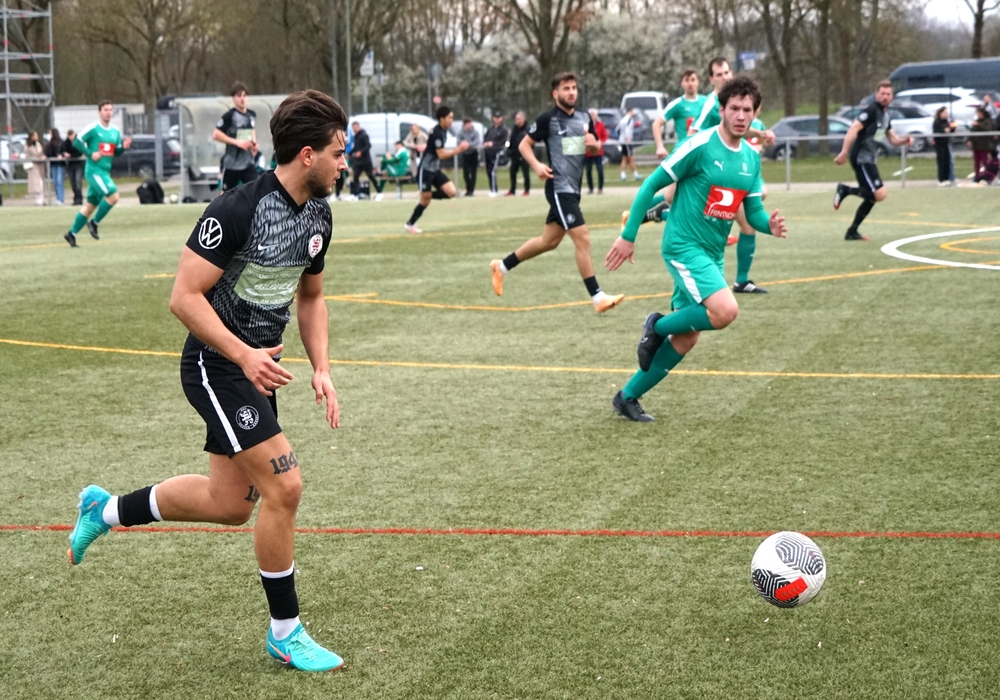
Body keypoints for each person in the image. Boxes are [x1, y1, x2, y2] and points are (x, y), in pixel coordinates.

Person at [67, 89, 349, 673]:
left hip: (256, 371)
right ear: (307, 155)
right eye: (338, 153)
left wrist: (321, 367)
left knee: (230, 504)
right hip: (216, 365)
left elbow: (312, 297)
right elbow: (183, 297)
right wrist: (244, 355)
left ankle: (105, 510)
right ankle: (285, 633)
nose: (344, 163)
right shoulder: (236, 209)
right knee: (285, 487)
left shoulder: (319, 216)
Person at [604, 76, 788, 422]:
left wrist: (769, 226)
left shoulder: (751, 158)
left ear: (755, 113)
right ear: (722, 109)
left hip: (712, 254)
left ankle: (627, 397)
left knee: (687, 338)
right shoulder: (700, 145)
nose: (741, 115)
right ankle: (657, 325)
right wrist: (628, 235)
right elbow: (651, 185)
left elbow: (753, 212)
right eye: (734, 108)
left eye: (747, 110)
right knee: (725, 311)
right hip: (683, 246)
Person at [490, 72, 625, 314]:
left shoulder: (584, 117)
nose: (571, 92)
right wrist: (537, 166)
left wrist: (594, 145)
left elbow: (595, 146)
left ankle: (501, 267)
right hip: (559, 188)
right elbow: (523, 145)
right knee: (582, 237)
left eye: (574, 88)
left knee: (548, 242)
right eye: (566, 88)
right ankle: (598, 297)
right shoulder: (547, 119)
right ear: (555, 93)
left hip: (574, 189)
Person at [690, 57, 775, 290]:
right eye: (719, 74)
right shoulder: (711, 104)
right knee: (680, 207)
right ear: (711, 79)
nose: (724, 77)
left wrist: (760, 135)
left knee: (748, 223)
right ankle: (656, 212)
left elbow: (736, 130)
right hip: (708, 176)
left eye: (727, 72)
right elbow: (693, 133)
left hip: (727, 175)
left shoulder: (736, 103)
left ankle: (741, 280)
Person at [833, 80, 914, 240]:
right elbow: (854, 128)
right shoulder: (871, 111)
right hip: (861, 157)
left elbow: (892, 139)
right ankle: (844, 190)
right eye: (882, 93)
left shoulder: (886, 115)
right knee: (880, 194)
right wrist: (844, 152)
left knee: (872, 197)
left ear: (892, 96)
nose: (885, 97)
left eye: (888, 94)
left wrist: (904, 141)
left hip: (870, 158)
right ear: (876, 95)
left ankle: (852, 231)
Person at [63, 101, 132, 246]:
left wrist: (124, 147)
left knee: (90, 206)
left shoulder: (115, 131)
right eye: (105, 109)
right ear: (99, 112)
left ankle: (71, 233)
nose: (108, 112)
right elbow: (77, 141)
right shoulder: (93, 128)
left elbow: (116, 152)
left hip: (105, 171)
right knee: (113, 196)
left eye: (110, 110)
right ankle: (94, 223)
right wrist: (90, 153)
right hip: (94, 171)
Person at [405, 105, 468, 233]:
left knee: (451, 192)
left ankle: (426, 194)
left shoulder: (442, 131)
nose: (451, 120)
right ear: (442, 119)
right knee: (425, 202)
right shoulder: (438, 133)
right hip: (426, 170)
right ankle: (410, 224)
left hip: (434, 169)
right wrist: (458, 150)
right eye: (449, 118)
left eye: (452, 118)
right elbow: (441, 155)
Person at [213, 82, 259, 191]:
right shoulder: (229, 116)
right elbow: (216, 134)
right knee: (226, 195)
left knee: (255, 191)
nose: (242, 99)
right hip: (232, 164)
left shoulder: (251, 115)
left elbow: (252, 129)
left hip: (248, 163)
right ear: (233, 98)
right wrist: (238, 142)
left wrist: (254, 143)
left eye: (244, 95)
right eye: (239, 96)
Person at [653, 69, 706, 159]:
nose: (690, 83)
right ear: (682, 83)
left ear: (698, 82)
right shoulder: (677, 104)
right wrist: (660, 146)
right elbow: (656, 124)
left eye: (693, 80)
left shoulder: (707, 102)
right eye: (687, 80)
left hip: (703, 152)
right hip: (684, 153)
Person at [483, 113, 509, 197]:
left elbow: (503, 141)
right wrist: (486, 143)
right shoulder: (490, 128)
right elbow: (485, 137)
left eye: (499, 117)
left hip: (497, 152)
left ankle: (494, 190)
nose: (497, 119)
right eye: (495, 117)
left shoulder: (503, 130)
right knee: (488, 171)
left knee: (493, 171)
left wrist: (493, 143)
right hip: (488, 152)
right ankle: (492, 188)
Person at [349, 121, 378, 197]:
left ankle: (379, 192)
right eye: (353, 128)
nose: (355, 129)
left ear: (359, 127)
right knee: (356, 176)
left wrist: (361, 152)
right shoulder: (356, 136)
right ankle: (355, 194)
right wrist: (349, 154)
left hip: (365, 160)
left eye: (356, 127)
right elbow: (356, 148)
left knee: (370, 175)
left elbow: (368, 145)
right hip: (358, 161)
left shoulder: (364, 135)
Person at [506, 111, 531, 196]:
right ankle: (512, 190)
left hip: (524, 155)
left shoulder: (527, 129)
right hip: (514, 154)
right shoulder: (514, 129)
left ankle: (526, 190)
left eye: (518, 119)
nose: (516, 120)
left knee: (525, 173)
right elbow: (510, 140)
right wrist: (509, 149)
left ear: (523, 119)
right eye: (516, 119)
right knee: (512, 172)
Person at [931, 107, 957, 186]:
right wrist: (944, 131)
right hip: (940, 144)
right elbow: (937, 132)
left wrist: (953, 128)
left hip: (946, 143)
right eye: (945, 113)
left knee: (947, 161)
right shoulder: (936, 122)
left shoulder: (946, 121)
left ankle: (947, 178)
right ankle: (941, 179)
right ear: (940, 113)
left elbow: (950, 131)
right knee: (941, 161)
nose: (946, 114)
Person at [968, 107, 994, 180]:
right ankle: (977, 177)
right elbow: (972, 131)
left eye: (980, 113)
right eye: (977, 113)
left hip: (984, 145)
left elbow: (988, 129)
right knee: (976, 162)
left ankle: (989, 176)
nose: (978, 115)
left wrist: (978, 125)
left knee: (985, 162)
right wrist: (969, 140)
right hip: (976, 145)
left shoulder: (988, 121)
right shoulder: (976, 121)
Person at [585, 108, 607, 194]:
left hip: (598, 152)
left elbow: (604, 136)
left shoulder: (600, 124)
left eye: (593, 114)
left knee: (600, 170)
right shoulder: (586, 125)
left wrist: (599, 142)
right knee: (588, 170)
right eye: (591, 115)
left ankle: (600, 188)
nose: (592, 116)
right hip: (588, 152)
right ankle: (590, 188)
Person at [459, 118, 481, 196]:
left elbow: (476, 142)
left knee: (473, 172)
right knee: (466, 173)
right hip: (465, 154)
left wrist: (468, 145)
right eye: (467, 124)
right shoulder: (461, 133)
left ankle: (471, 190)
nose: (469, 125)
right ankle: (468, 188)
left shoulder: (475, 132)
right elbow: (458, 142)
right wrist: (463, 145)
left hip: (473, 154)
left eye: (470, 123)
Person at [617, 108, 641, 181]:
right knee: (631, 158)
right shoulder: (629, 120)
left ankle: (623, 175)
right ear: (630, 111)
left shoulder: (623, 120)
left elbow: (617, 129)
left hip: (622, 141)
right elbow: (627, 130)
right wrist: (627, 138)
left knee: (624, 158)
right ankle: (635, 174)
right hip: (626, 142)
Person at [62, 129, 85, 206]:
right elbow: (63, 150)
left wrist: (71, 155)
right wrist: (64, 154)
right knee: (73, 182)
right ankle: (75, 198)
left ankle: (79, 198)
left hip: (78, 164)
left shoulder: (78, 141)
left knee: (78, 181)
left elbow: (79, 152)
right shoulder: (66, 143)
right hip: (70, 164)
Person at [45, 128, 66, 205]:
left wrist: (61, 155)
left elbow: (65, 151)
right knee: (55, 182)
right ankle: (58, 198)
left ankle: (61, 198)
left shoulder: (61, 141)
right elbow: (48, 152)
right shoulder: (49, 142)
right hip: (53, 164)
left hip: (60, 164)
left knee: (59, 181)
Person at [25, 132, 45, 205]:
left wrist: (42, 158)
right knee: (36, 183)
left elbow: (41, 153)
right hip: (33, 166)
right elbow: (27, 156)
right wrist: (37, 158)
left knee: (41, 183)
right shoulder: (28, 145)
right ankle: (38, 200)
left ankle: (41, 200)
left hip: (40, 166)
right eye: (35, 135)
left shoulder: (38, 144)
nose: (37, 136)